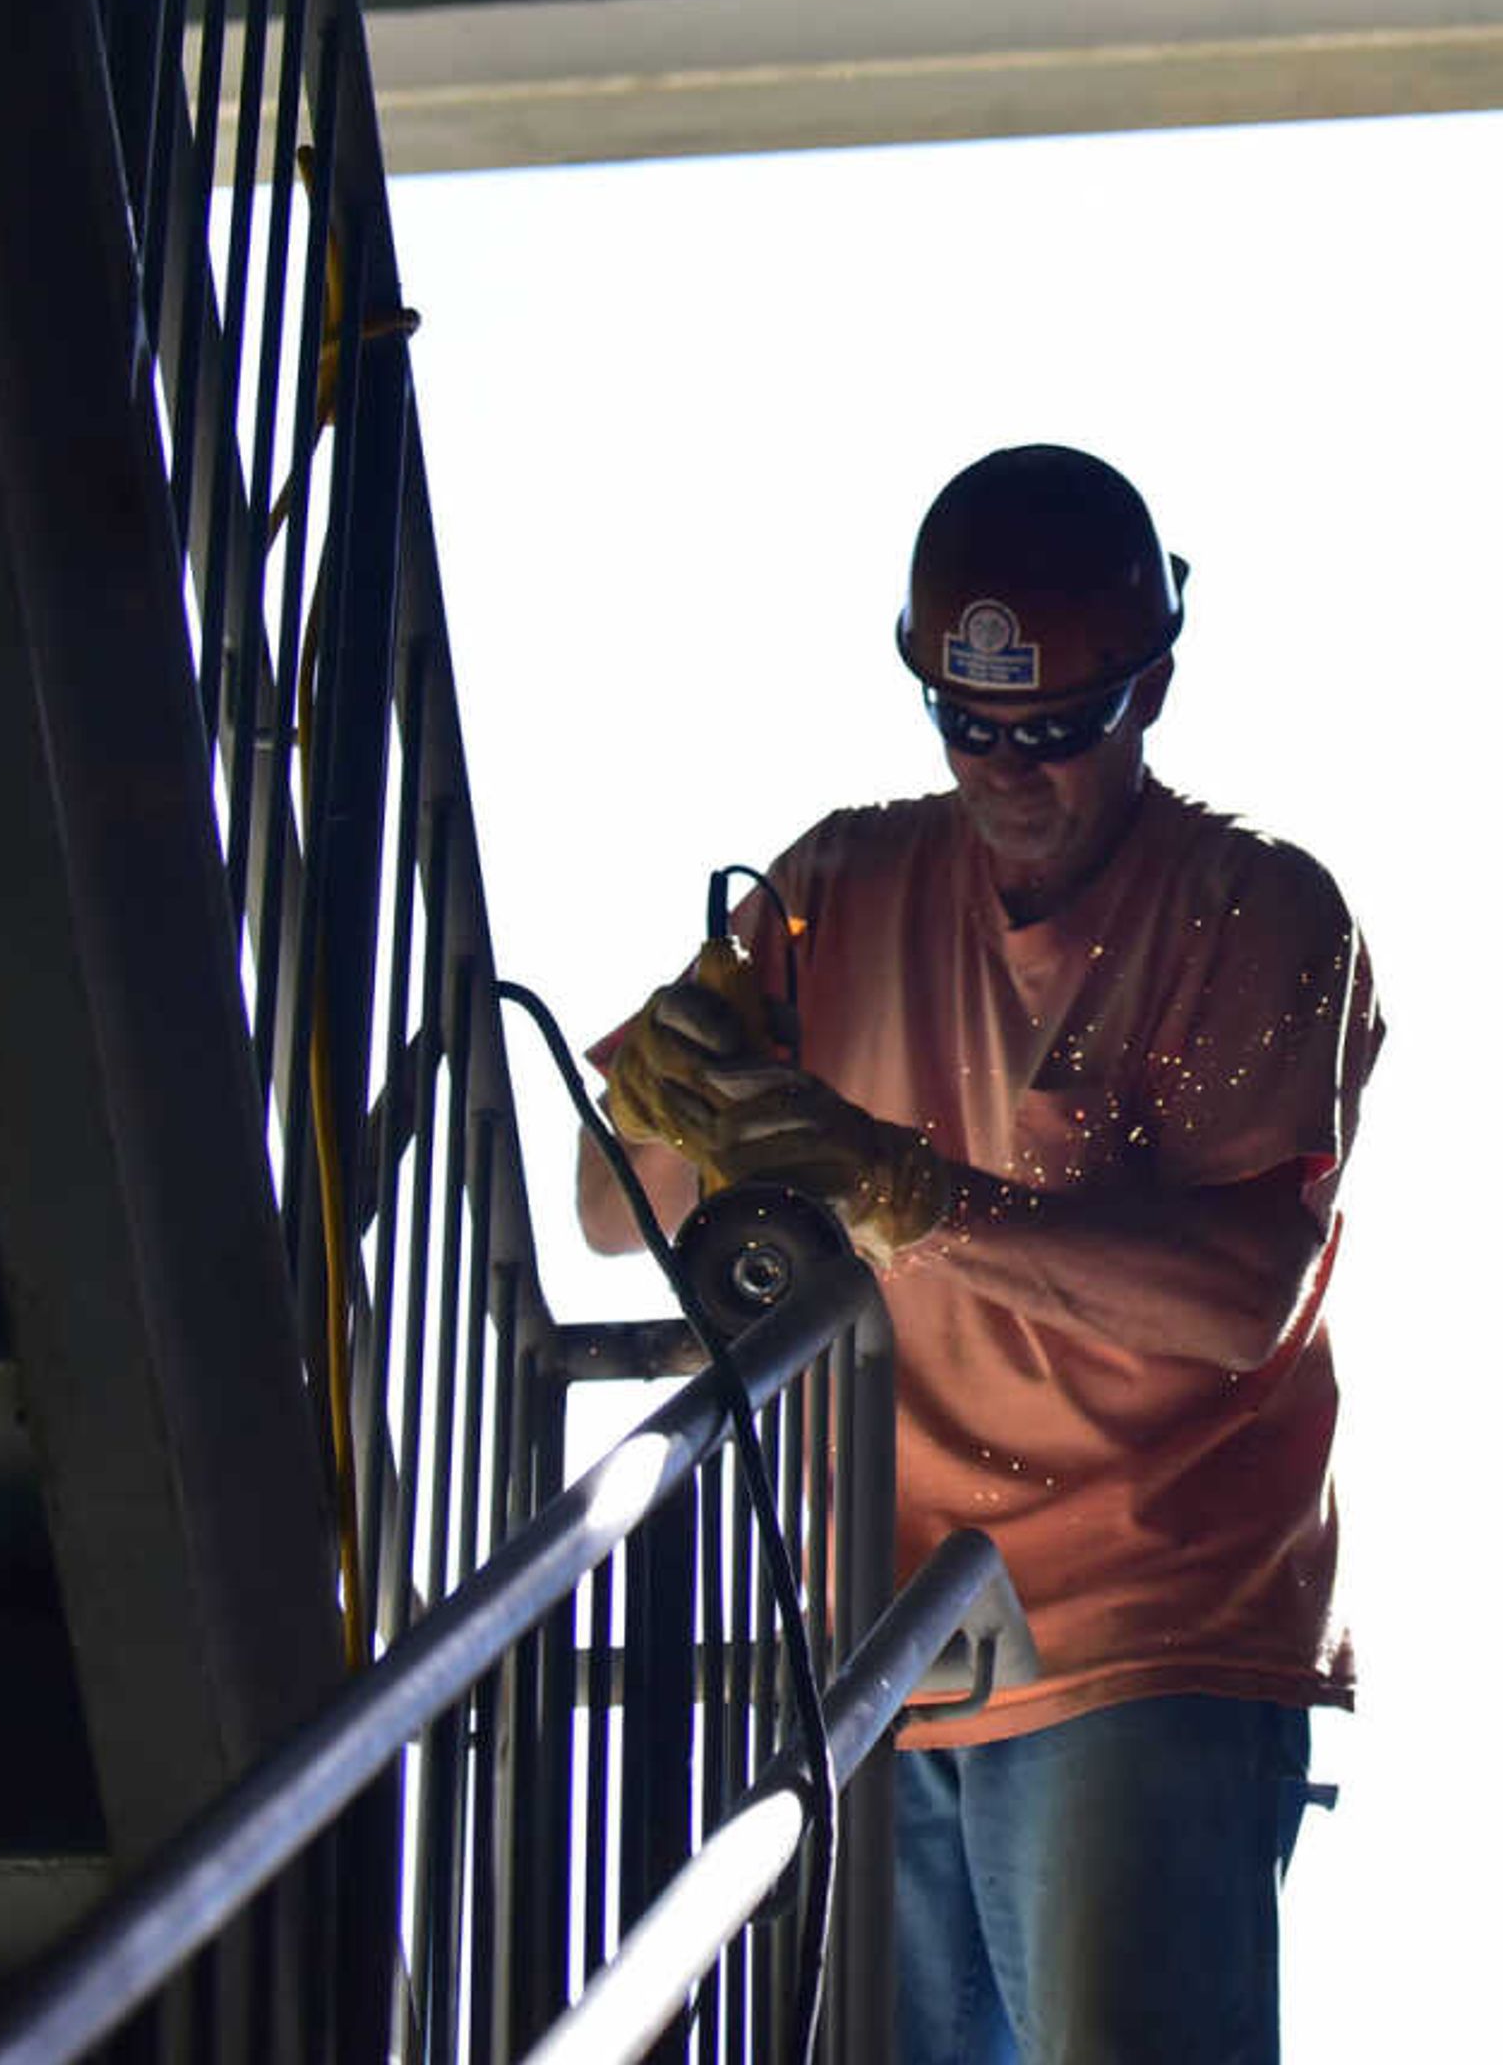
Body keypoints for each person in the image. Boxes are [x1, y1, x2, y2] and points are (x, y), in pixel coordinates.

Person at [580, 444, 1382, 2065]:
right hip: (888, 1635)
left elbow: (1241, 1295)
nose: (1011, 773)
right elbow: (615, 1211)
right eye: (971, 725)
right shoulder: (838, 886)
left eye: (1059, 731)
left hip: (1146, 1622)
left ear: (1152, 685)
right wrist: (678, 1090)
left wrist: (908, 1189)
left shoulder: (1259, 912)